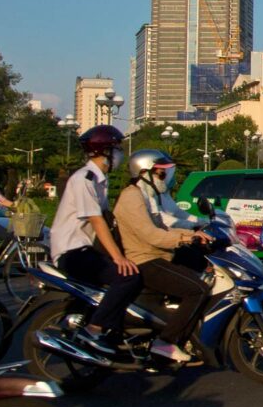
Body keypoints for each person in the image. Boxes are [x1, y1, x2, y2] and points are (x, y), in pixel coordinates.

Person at [49, 125, 143, 355]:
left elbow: (109, 220)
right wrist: (119, 257)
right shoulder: (84, 179)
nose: (121, 154)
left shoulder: (100, 180)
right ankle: (94, 328)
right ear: (104, 152)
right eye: (117, 149)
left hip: (85, 250)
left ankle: (114, 333)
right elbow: (97, 221)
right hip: (72, 253)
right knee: (128, 277)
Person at [114, 150, 214, 362]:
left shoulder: (144, 195)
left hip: (157, 255)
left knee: (198, 276)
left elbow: (164, 226)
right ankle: (166, 342)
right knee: (197, 290)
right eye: (160, 174)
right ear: (144, 173)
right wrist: (187, 238)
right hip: (145, 259)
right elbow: (152, 236)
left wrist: (193, 234)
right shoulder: (132, 197)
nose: (164, 179)